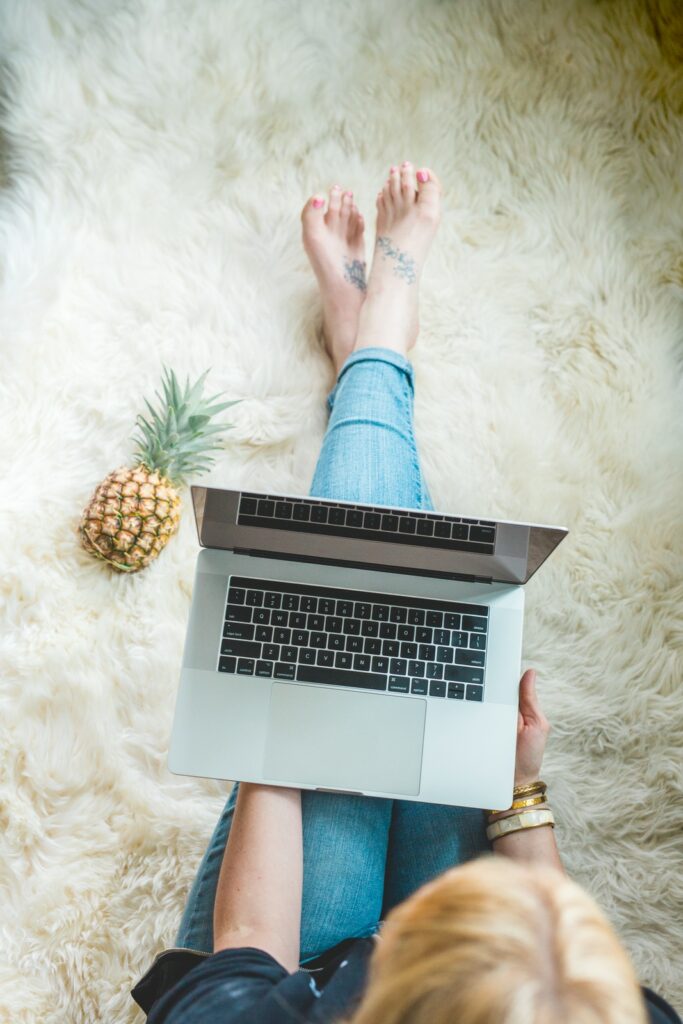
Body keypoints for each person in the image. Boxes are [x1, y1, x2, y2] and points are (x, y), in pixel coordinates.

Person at [131, 164, 680, 1024]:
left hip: (292, 965)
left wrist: (279, 719)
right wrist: (516, 792)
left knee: (352, 575)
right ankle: (372, 348)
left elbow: (249, 950)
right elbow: (561, 956)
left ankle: (374, 343)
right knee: (405, 592)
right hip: (479, 970)